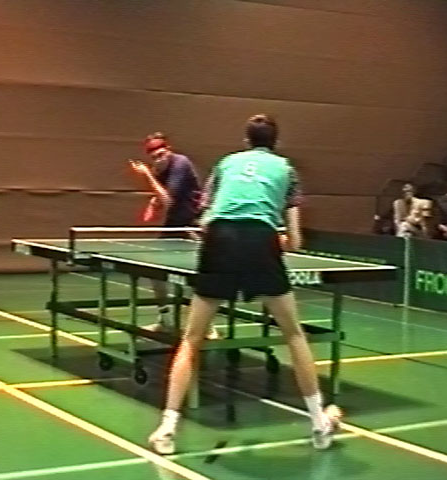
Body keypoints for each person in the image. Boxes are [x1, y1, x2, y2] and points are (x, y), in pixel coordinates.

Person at [148, 114, 341, 455]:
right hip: (260, 240)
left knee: (191, 339)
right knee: (294, 335)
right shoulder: (287, 170)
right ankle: (318, 423)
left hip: (219, 239)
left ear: (246, 140)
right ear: (276, 142)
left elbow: (204, 220)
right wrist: (275, 241)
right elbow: (296, 241)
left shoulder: (226, 163)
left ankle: (167, 428)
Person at [130, 133, 220, 339]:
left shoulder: (180, 164)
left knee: (200, 275)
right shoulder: (160, 169)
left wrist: (147, 176)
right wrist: (153, 204)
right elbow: (162, 196)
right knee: (154, 271)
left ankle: (208, 325)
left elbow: (168, 200)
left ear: (169, 150)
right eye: (154, 157)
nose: (158, 160)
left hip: (193, 224)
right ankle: (165, 320)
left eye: (161, 155)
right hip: (175, 225)